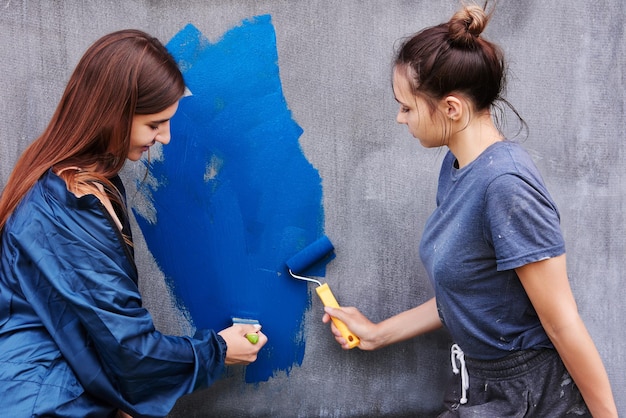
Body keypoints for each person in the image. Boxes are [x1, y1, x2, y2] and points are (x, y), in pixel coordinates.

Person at [323, 3, 617, 417]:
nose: (399, 118)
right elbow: (469, 290)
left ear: (451, 108)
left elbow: (562, 323)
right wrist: (378, 334)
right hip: (474, 381)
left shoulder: (505, 186)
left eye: (407, 107)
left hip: (529, 395)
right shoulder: (458, 167)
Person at [0, 29, 267, 417]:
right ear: (113, 114)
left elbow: (95, 331)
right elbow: (128, 349)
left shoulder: (91, 185)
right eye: (155, 124)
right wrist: (218, 351)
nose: (167, 137)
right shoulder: (64, 208)